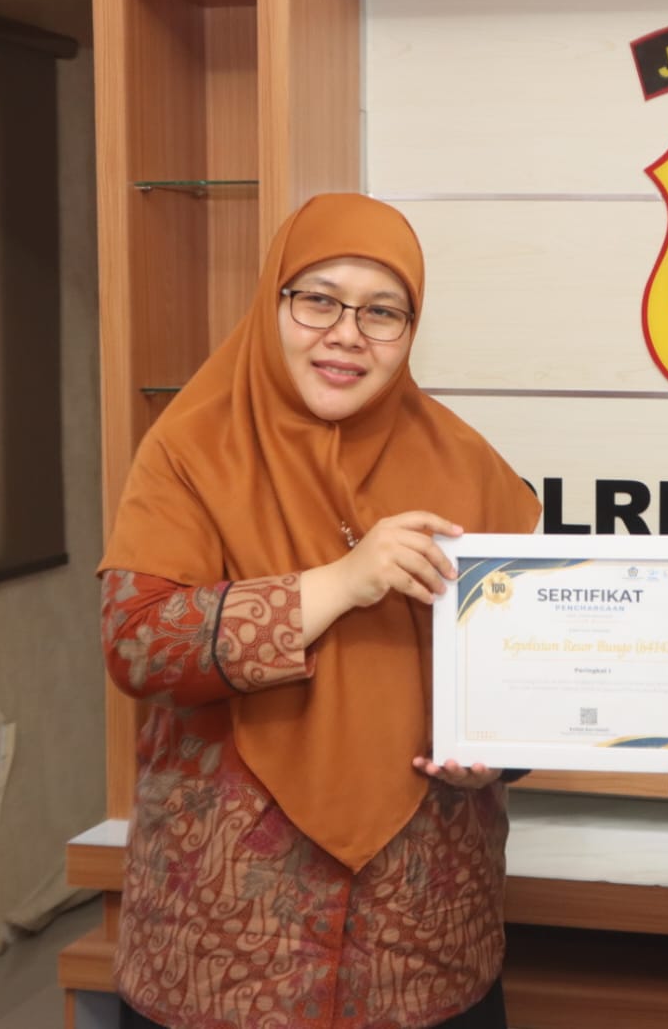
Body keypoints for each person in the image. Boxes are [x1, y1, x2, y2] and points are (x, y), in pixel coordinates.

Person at [98, 193, 541, 1029]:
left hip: (421, 944)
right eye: (318, 300)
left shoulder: (468, 464)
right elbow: (139, 645)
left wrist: (497, 755)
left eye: (382, 312)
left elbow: (526, 670)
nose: (346, 334)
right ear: (273, 302)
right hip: (225, 948)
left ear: (410, 329)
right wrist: (337, 582)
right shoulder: (189, 452)